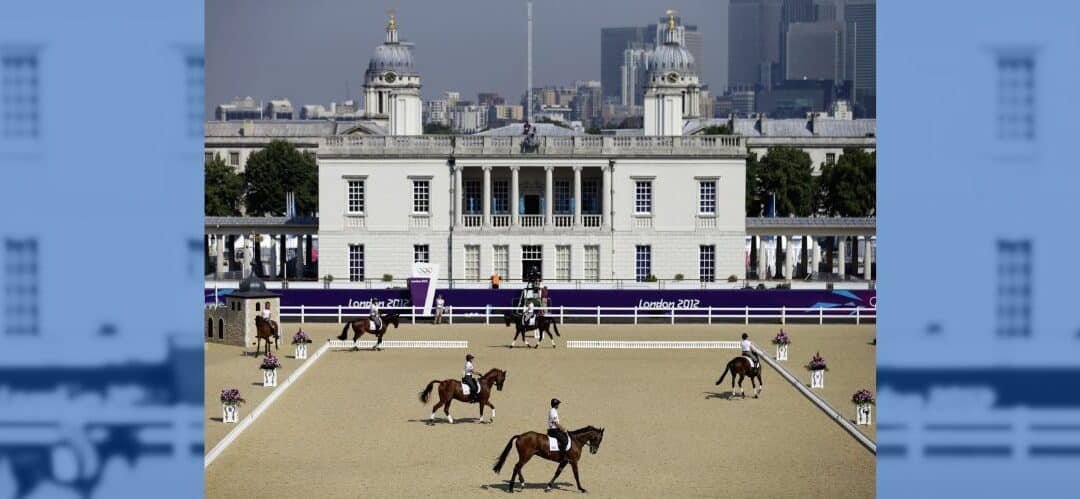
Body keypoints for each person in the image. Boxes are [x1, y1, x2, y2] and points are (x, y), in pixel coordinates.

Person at [548, 398, 569, 463]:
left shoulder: (553, 411)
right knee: (564, 440)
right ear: (556, 405)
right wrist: (562, 429)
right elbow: (556, 423)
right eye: (558, 404)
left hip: (555, 430)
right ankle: (561, 458)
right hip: (554, 430)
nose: (558, 406)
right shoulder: (553, 411)